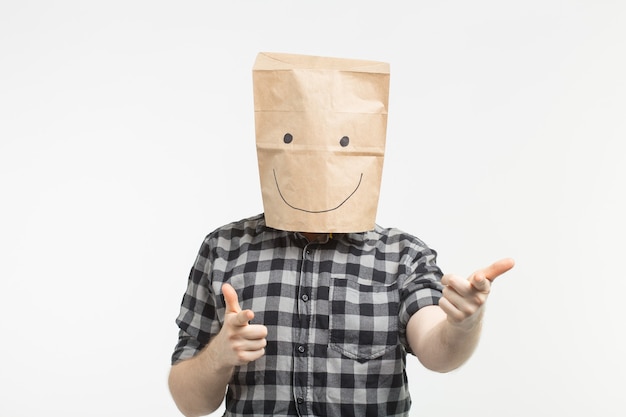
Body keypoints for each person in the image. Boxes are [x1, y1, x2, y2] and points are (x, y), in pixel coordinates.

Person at [167, 52, 515, 417]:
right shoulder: (224, 248)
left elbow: (437, 351)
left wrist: (464, 323)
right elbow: (189, 403)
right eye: (290, 139)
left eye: (344, 143)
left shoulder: (402, 256)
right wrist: (220, 355)